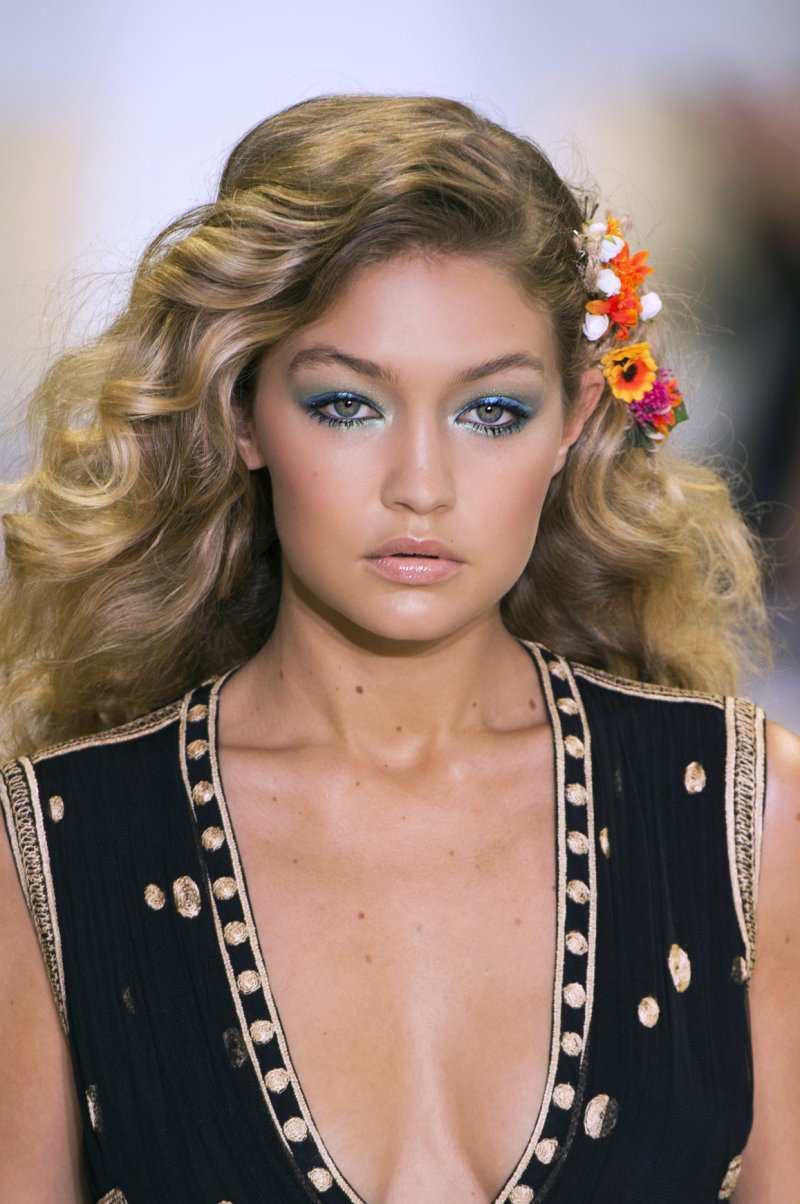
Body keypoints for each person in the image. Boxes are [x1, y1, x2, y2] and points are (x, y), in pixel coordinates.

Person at [0, 94, 797, 1204]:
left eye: (490, 412)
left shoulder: (748, 817)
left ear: (573, 420)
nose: (420, 485)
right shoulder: (47, 850)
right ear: (241, 409)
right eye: (346, 404)